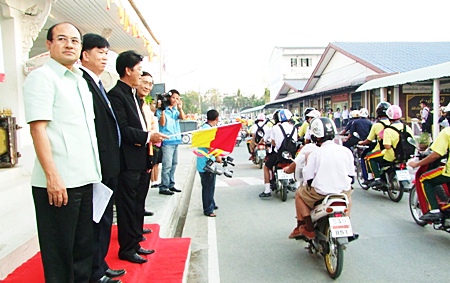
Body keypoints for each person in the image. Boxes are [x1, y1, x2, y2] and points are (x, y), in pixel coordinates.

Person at [23, 22, 102, 282]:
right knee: (59, 258)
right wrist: (52, 177)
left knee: (82, 253)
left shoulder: (80, 81)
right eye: (61, 39)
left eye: (75, 41)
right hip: (59, 184)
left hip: (84, 179)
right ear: (49, 44)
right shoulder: (42, 78)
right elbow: (38, 130)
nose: (69, 44)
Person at [108, 50, 167, 264]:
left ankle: (134, 242)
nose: (141, 75)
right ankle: (127, 248)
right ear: (127, 70)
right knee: (127, 206)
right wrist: (148, 136)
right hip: (127, 161)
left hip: (140, 158)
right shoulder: (117, 95)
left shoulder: (132, 95)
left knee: (136, 204)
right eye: (139, 70)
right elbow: (122, 130)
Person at [79, 33, 124, 283]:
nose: (105, 57)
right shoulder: (83, 83)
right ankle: (95, 272)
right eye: (100, 51)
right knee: (95, 222)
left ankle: (101, 264)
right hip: (98, 165)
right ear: (85, 55)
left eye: (107, 52)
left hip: (109, 165)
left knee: (105, 219)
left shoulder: (97, 83)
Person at [289, 117, 354, 239]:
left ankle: (309, 228)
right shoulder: (346, 151)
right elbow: (351, 175)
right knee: (349, 196)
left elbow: (308, 178)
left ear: (316, 136)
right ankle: (347, 223)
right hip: (342, 191)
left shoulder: (315, 153)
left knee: (299, 194)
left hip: (320, 193)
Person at [408, 127, 450, 221]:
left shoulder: (447, 132)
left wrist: (417, 164)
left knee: (424, 179)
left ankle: (434, 211)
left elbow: (436, 154)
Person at [368, 105, 413, 187]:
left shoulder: (388, 130)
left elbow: (387, 146)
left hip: (391, 156)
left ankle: (377, 179)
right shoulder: (407, 127)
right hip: (406, 155)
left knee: (370, 158)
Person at [136, 71, 157, 237]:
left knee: (142, 191)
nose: (147, 86)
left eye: (150, 84)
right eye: (144, 82)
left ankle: (138, 226)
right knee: (134, 197)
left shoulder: (144, 105)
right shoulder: (130, 101)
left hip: (146, 151)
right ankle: (133, 230)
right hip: (134, 155)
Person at [259, 109, 297, 197]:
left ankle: (267, 190)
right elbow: (295, 141)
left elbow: (273, 142)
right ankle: (296, 185)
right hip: (290, 155)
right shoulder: (294, 128)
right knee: (297, 166)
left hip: (278, 155)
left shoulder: (275, 128)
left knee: (266, 167)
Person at [156, 89, 187, 195]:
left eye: (177, 98)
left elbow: (182, 117)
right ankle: (164, 186)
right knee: (167, 164)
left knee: (174, 164)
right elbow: (163, 123)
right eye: (173, 97)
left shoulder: (175, 110)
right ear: (169, 98)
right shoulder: (161, 111)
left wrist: (180, 108)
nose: (175, 100)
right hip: (167, 141)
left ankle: (171, 184)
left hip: (176, 140)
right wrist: (163, 110)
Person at [358, 102, 391, 184]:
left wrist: (362, 143)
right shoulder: (393, 123)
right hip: (396, 150)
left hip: (383, 150)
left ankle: (376, 178)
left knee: (368, 156)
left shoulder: (376, 125)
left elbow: (369, 140)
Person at [197, 110, 222, 217]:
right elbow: (208, 145)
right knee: (208, 186)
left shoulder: (205, 128)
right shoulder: (207, 130)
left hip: (205, 161)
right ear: (216, 118)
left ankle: (211, 203)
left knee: (210, 185)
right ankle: (208, 209)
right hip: (206, 163)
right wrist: (217, 156)